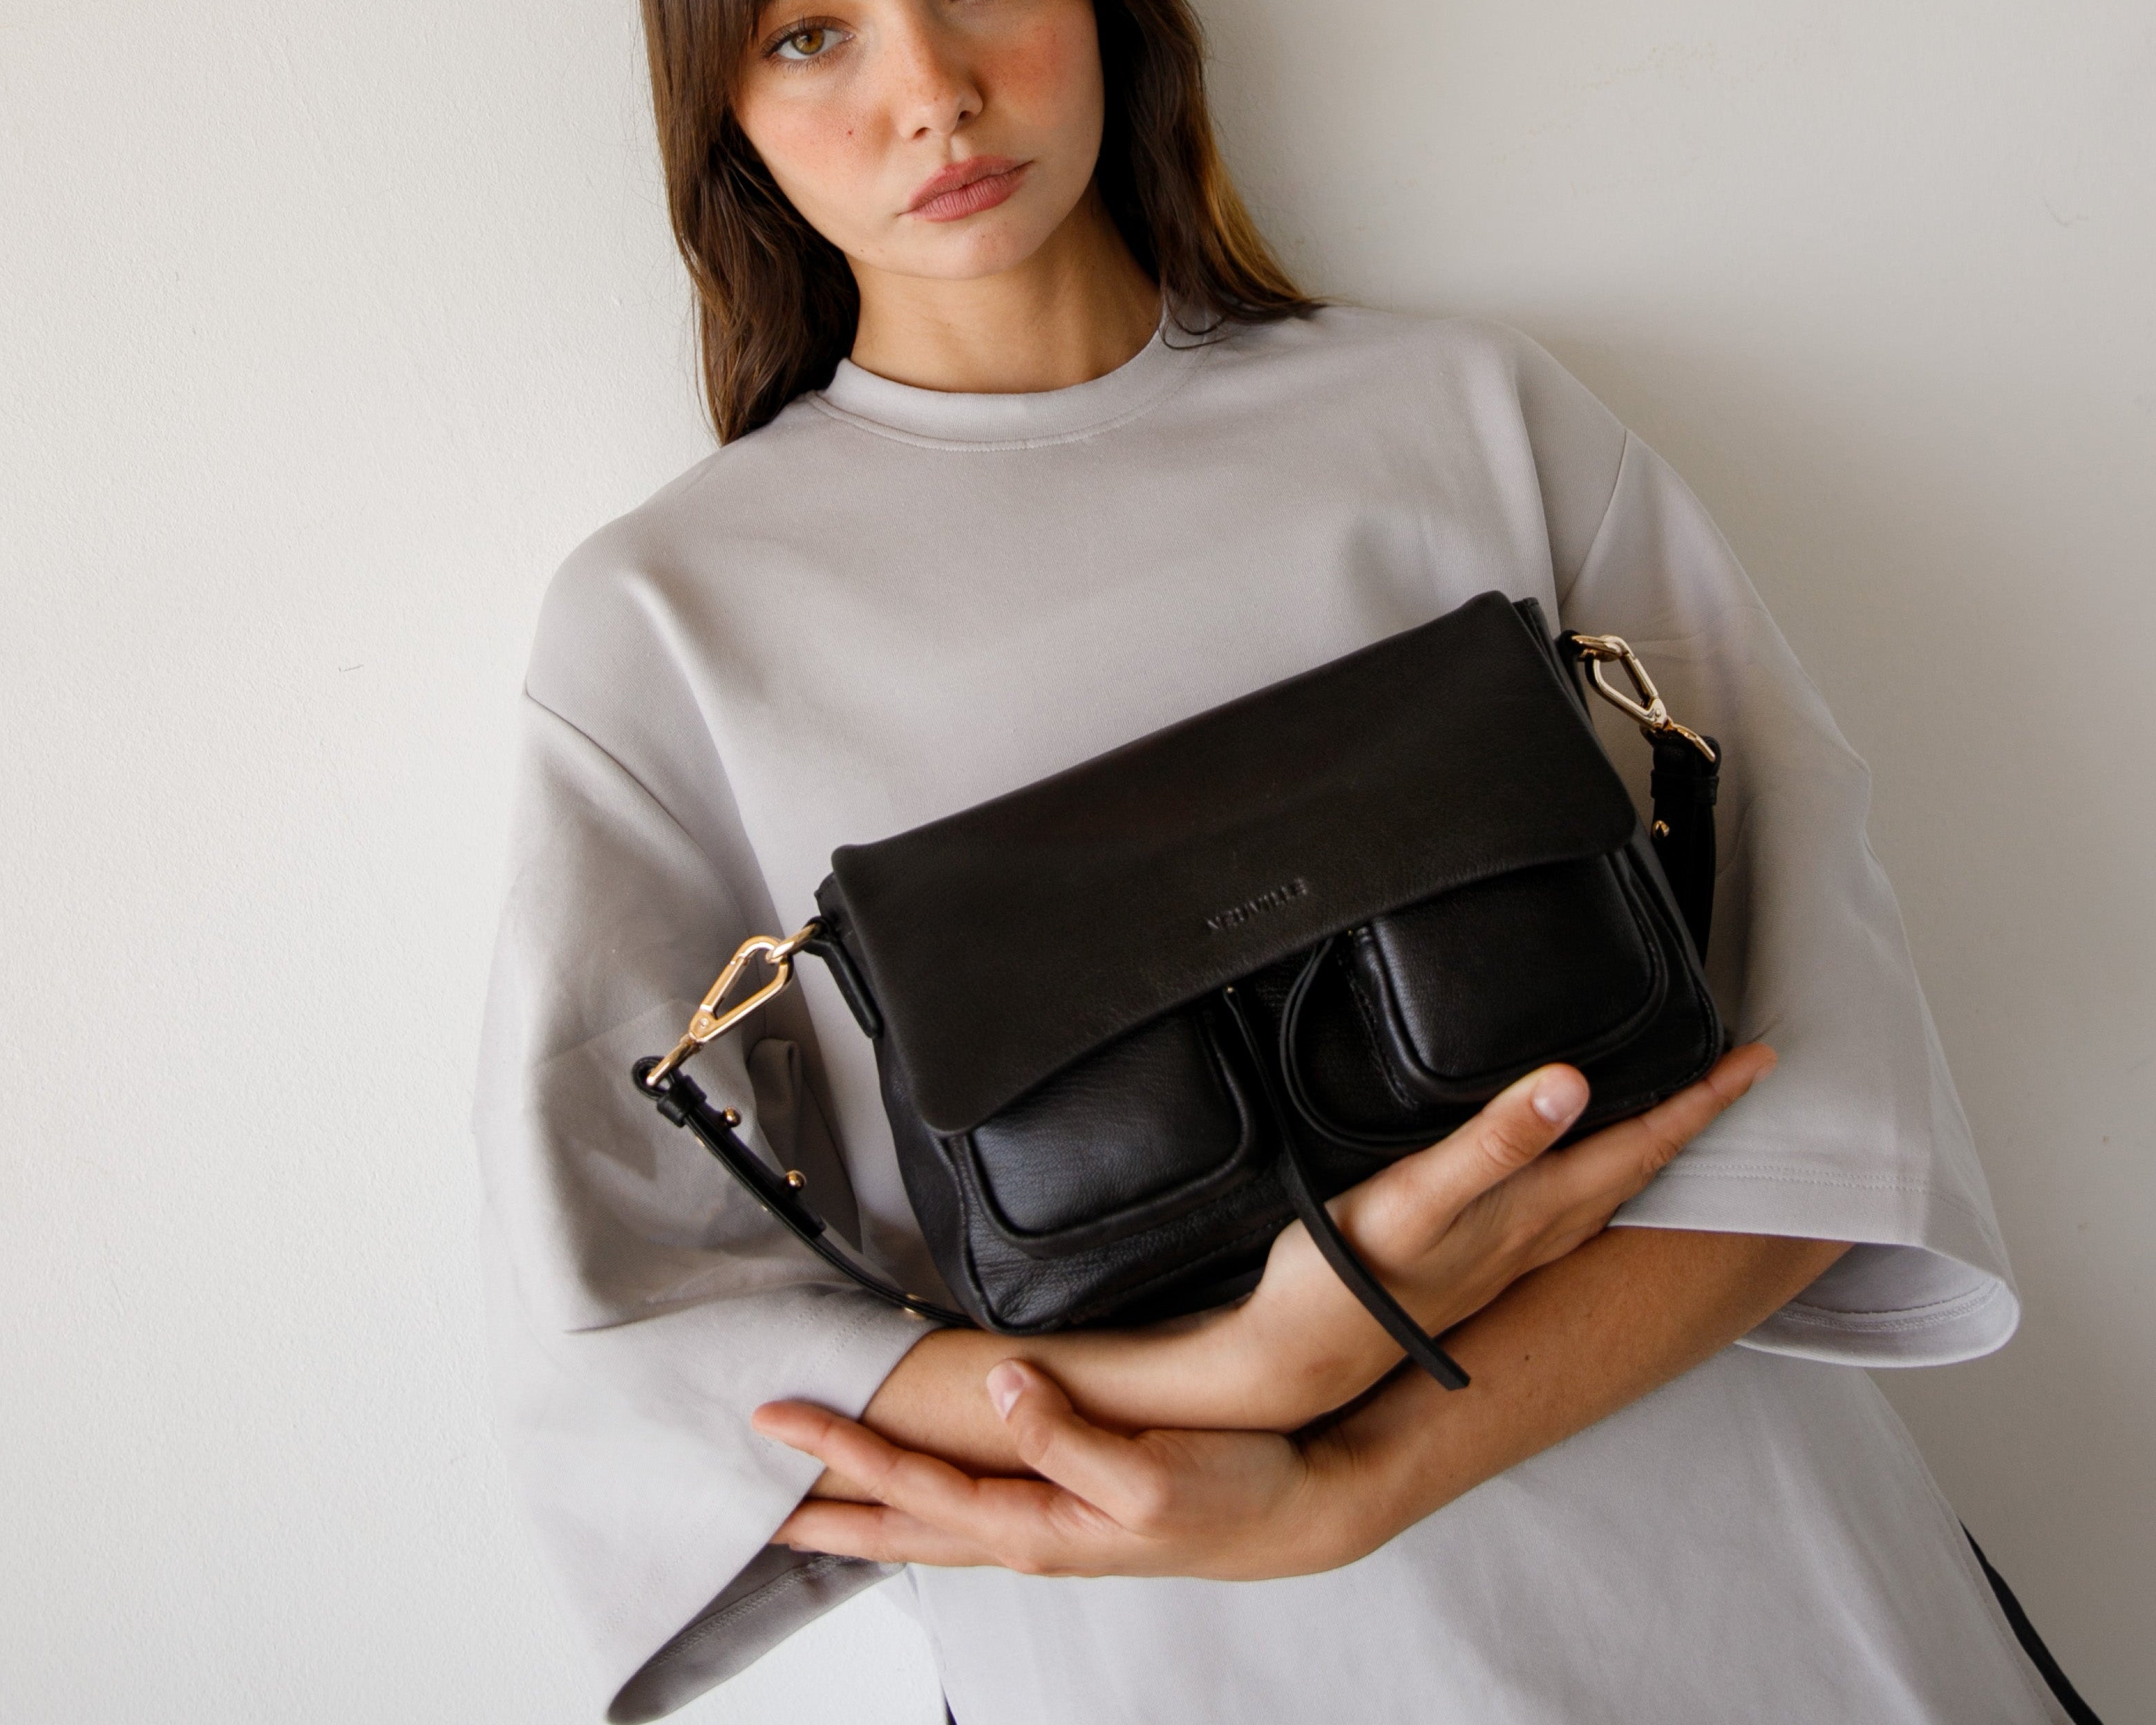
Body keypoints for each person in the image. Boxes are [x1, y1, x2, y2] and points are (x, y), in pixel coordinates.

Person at [474, 1, 2065, 1719]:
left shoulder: (1467, 413)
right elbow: (631, 1322)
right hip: (1188, 1664)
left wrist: (1359, 1470)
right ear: (719, 102)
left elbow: (1826, 1082)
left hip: (1744, 1593)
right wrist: (1228, 1373)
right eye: (809, 32)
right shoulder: (669, 627)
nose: (930, 92)